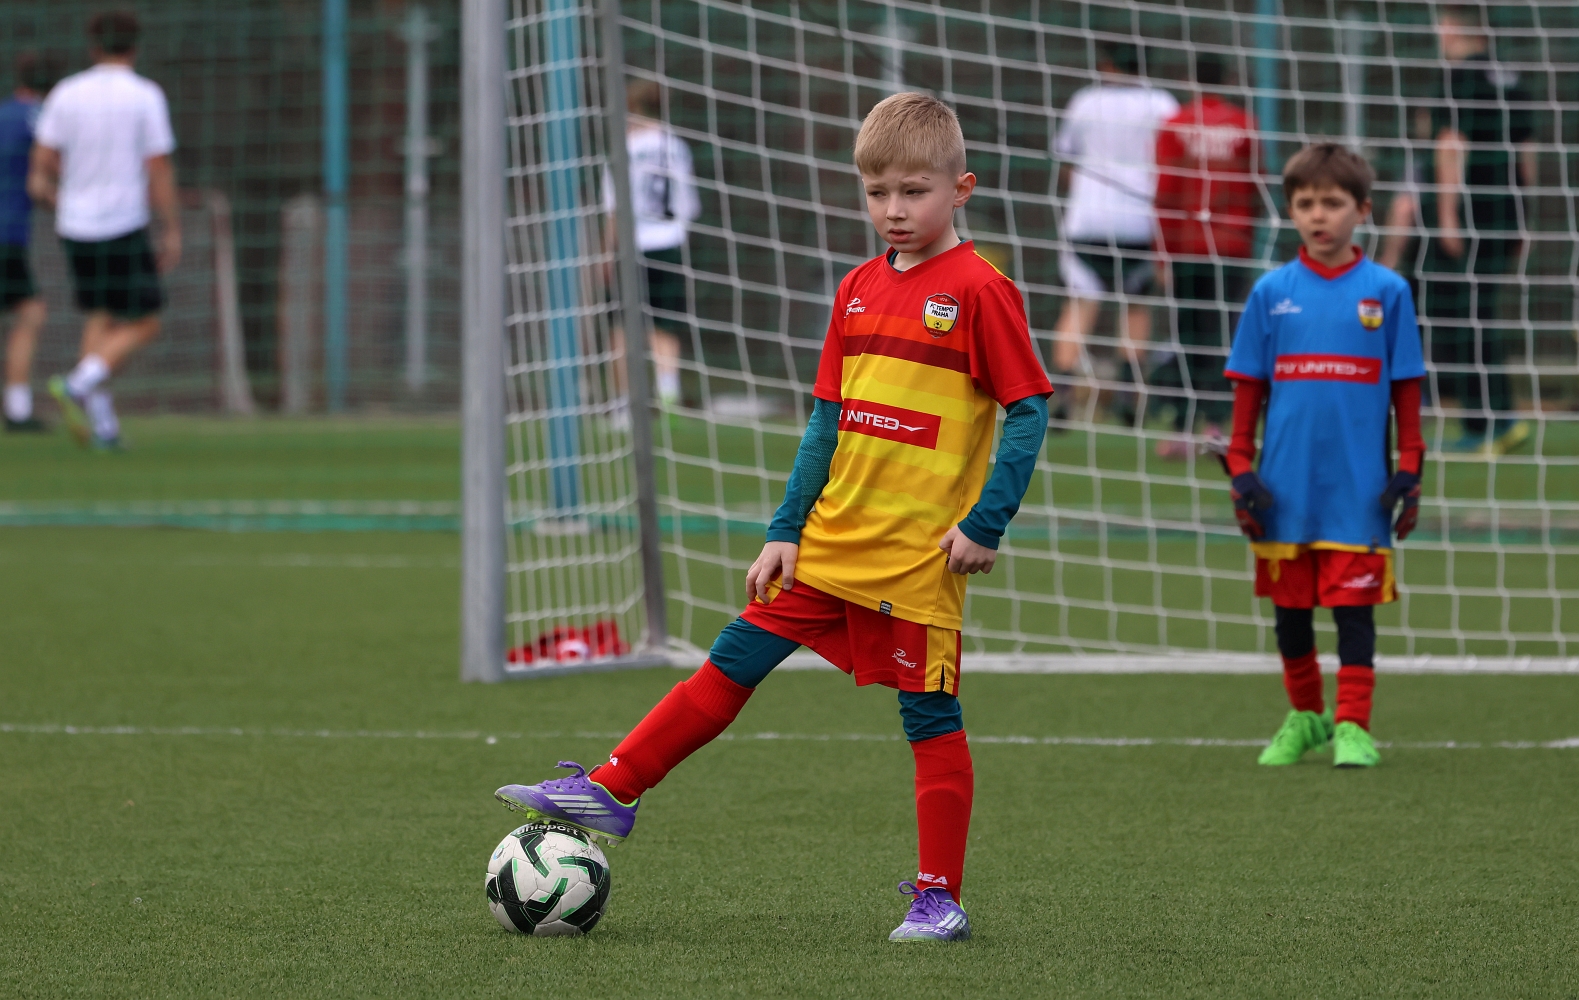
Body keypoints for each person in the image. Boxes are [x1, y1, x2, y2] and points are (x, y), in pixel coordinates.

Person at [496, 93, 1052, 942]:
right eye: (877, 193)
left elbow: (1028, 410)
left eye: (913, 191)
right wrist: (786, 529)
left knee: (929, 719)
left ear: (960, 189)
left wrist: (986, 522)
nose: (894, 210)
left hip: (917, 558)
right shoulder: (856, 289)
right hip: (830, 540)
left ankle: (938, 898)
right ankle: (613, 786)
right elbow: (825, 420)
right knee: (735, 654)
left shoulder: (981, 290)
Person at [1223, 144, 1425, 769]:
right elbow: (1248, 391)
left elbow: (1406, 390)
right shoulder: (1270, 292)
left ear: (1362, 210)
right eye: (1306, 203)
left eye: (1333, 203)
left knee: (1354, 613)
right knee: (1291, 613)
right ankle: (1306, 716)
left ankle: (1353, 725)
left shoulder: (1387, 291)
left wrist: (1412, 466)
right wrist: (1240, 467)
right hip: (1284, 489)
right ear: (1291, 210)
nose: (1319, 215)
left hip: (1360, 490)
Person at [1377, 4, 1534, 456]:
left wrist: (1447, 217)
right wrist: (1524, 218)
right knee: (1475, 314)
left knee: (1459, 317)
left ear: (1451, 26)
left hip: (1463, 219)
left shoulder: (1456, 77)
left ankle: (1491, 422)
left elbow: (1451, 146)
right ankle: (1488, 420)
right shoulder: (1513, 80)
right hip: (1503, 215)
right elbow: (1528, 154)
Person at [29, 10, 179, 449]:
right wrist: (171, 227)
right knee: (146, 322)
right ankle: (78, 383)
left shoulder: (66, 92)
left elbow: (43, 159)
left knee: (100, 316)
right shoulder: (144, 95)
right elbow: (158, 166)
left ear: (93, 46)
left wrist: (67, 183)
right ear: (135, 46)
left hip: (75, 225)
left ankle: (104, 428)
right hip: (122, 222)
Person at [1050, 41, 1178, 423]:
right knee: (1136, 305)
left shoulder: (1085, 101)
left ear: (1107, 64)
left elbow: (1065, 160)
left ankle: (1062, 393)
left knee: (1079, 304)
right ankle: (1127, 394)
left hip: (1088, 220)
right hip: (1140, 221)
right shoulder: (1163, 105)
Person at [1150, 55, 1260, 458]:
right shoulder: (1245, 125)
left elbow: (1166, 191)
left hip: (1187, 245)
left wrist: (1162, 252)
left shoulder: (1176, 124)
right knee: (1223, 336)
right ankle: (1217, 427)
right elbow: (1256, 186)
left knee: (1188, 335)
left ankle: (1183, 428)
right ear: (1227, 80)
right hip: (1231, 246)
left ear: (1189, 79)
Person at [605, 78, 699, 410]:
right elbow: (688, 204)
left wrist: (607, 252)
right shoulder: (676, 146)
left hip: (631, 246)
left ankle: (623, 405)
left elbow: (614, 207)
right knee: (664, 325)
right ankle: (668, 396)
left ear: (633, 106)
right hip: (669, 244)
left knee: (622, 328)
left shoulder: (625, 149)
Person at [0, 52, 49, 433]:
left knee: (29, 309)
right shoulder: (41, 118)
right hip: (6, 232)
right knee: (31, 313)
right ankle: (17, 409)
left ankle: (17, 408)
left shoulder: (4, 113)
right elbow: (43, 177)